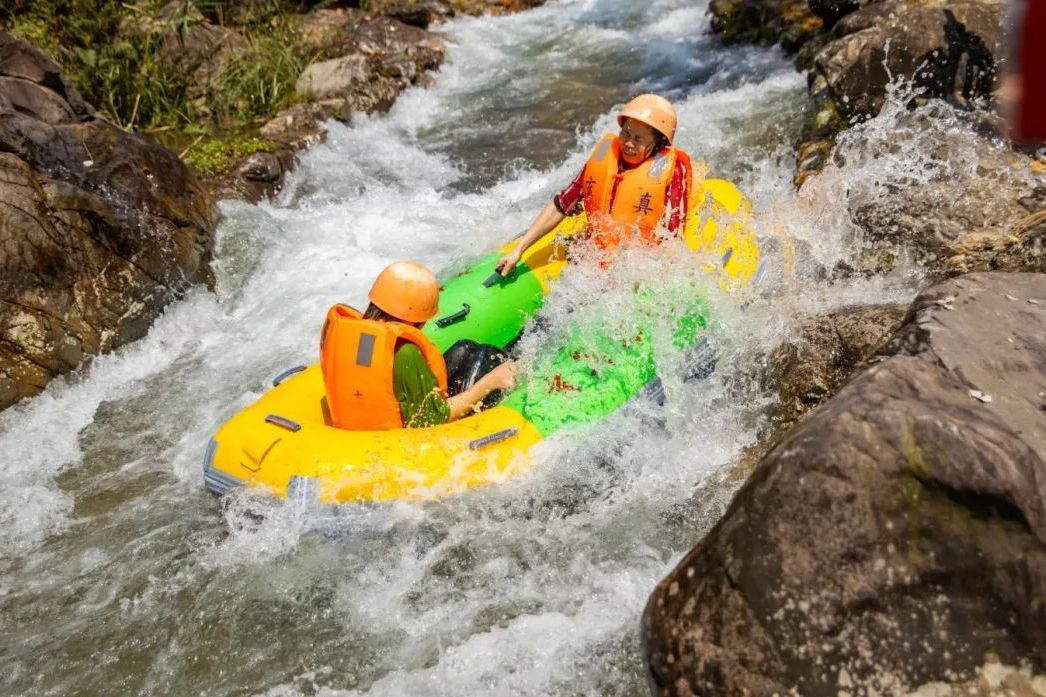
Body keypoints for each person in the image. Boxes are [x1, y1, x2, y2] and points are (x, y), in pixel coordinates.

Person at [496, 94, 695, 276]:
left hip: (639, 262)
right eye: (625, 133)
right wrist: (519, 249)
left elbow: (673, 238)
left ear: (659, 142)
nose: (628, 143)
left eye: (638, 138)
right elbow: (562, 204)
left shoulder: (672, 170)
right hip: (596, 251)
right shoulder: (606, 156)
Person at [320, 261, 517, 430]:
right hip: (404, 435)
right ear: (417, 319)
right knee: (486, 358)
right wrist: (491, 381)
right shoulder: (405, 352)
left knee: (465, 348)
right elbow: (430, 421)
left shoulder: (355, 333)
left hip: (365, 414)